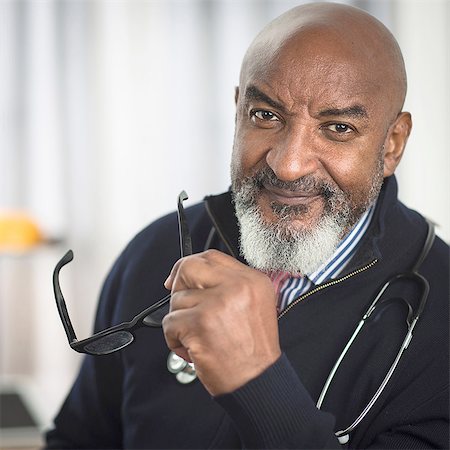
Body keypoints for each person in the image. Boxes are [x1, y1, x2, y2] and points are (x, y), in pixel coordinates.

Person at [45, 2, 449, 449]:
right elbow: (77, 440)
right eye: (266, 116)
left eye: (337, 127)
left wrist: (257, 381)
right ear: (239, 109)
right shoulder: (156, 250)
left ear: (392, 145)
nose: (289, 164)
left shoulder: (442, 315)